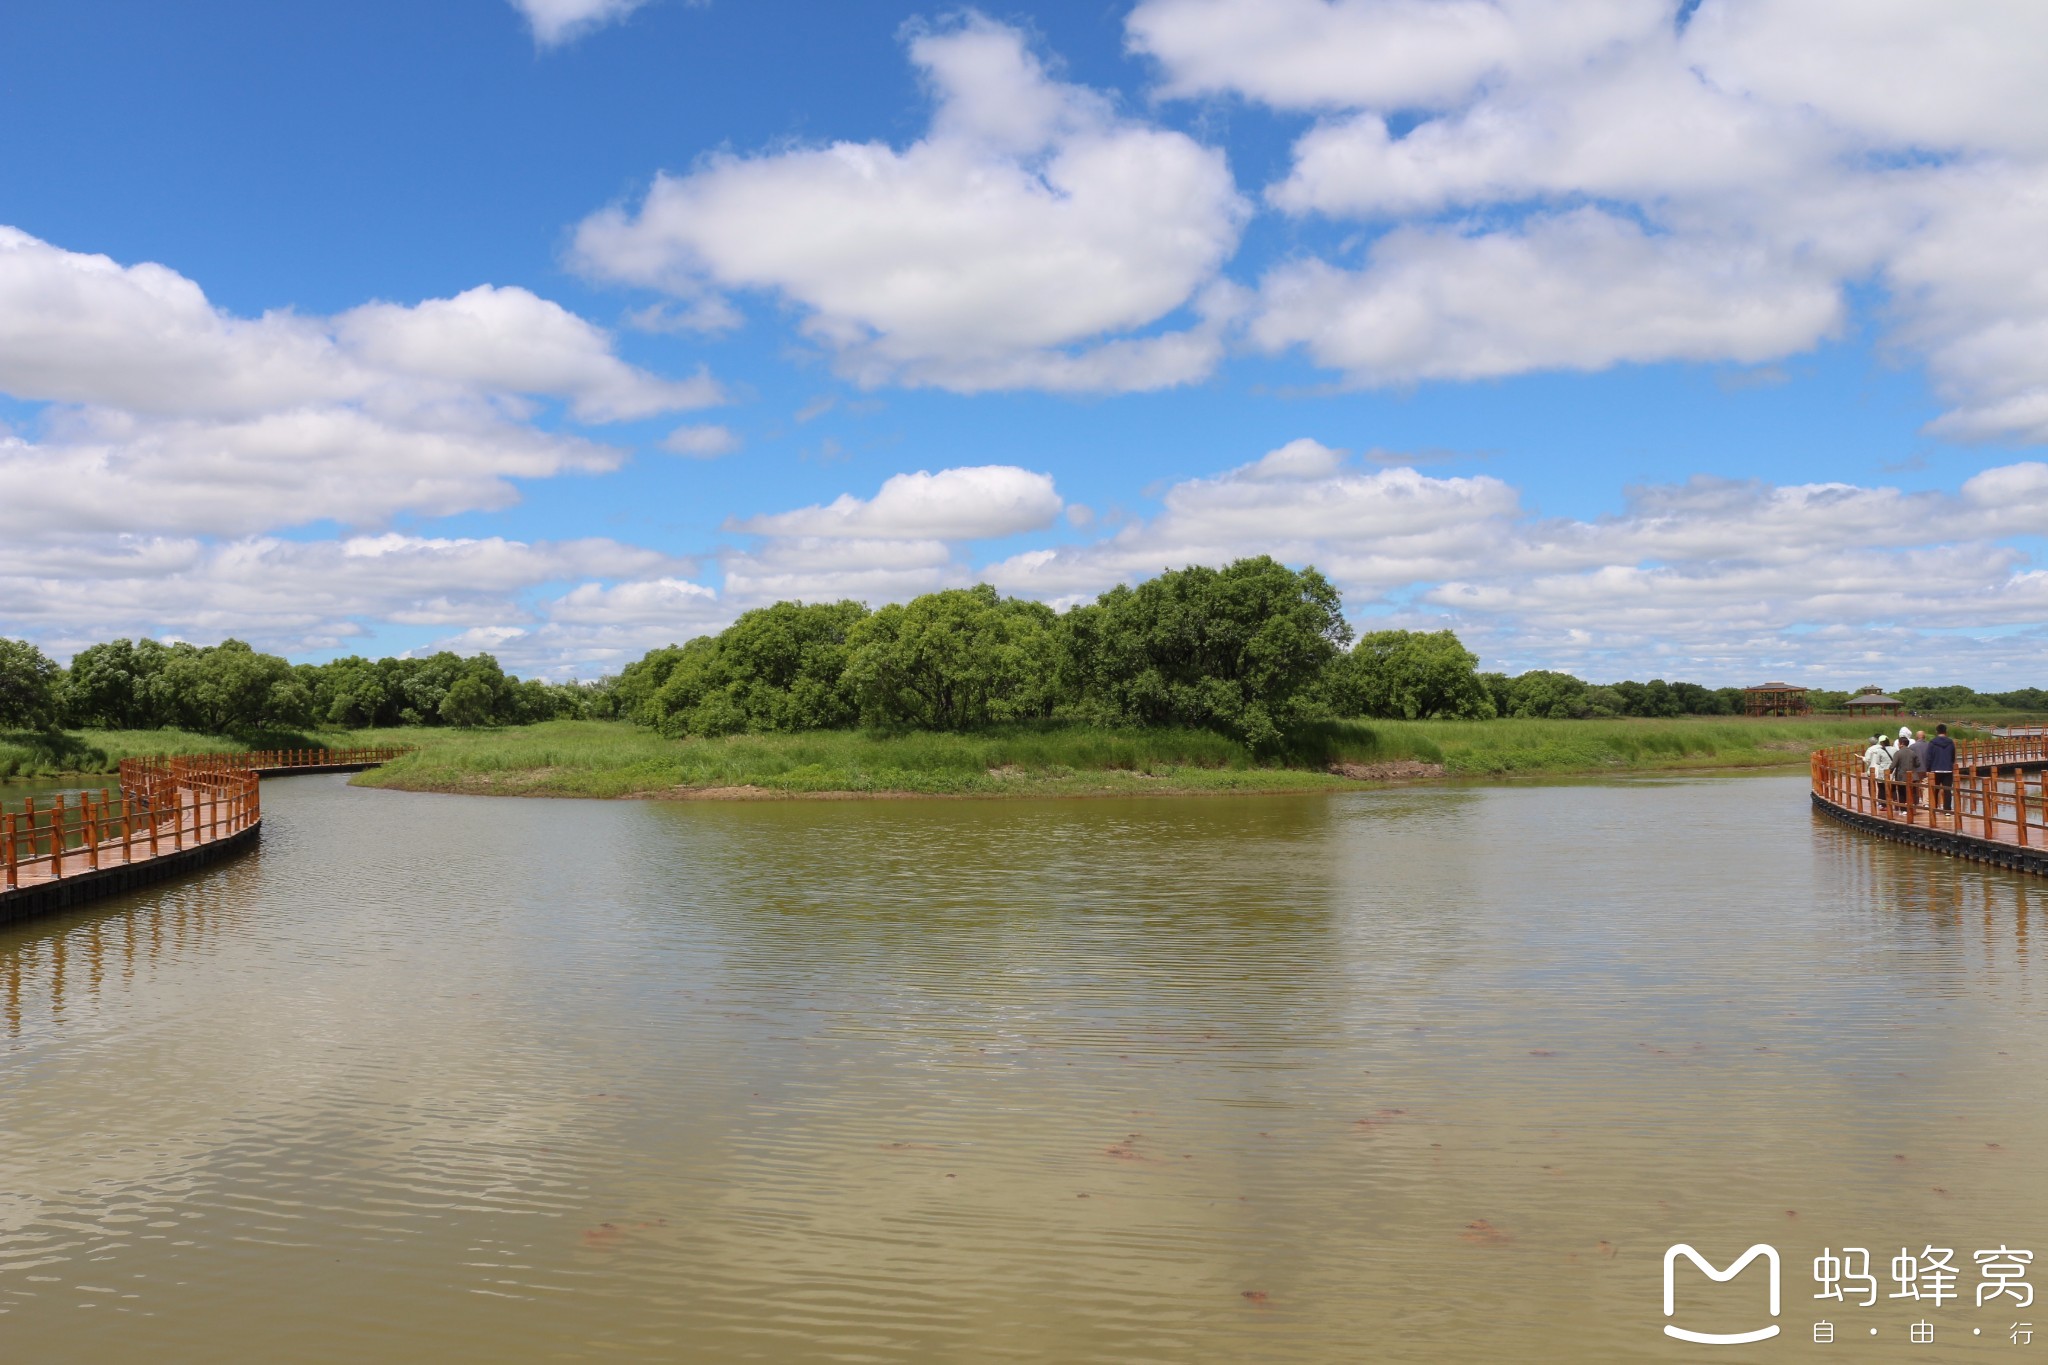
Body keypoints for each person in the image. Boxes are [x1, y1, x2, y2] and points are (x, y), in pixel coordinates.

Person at [1926, 723, 1958, 812]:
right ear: (1946, 731)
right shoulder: (1950, 742)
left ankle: (1934, 807)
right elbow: (1952, 755)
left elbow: (1929, 757)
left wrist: (1928, 769)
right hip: (1948, 769)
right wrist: (1951, 764)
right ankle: (1947, 810)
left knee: (1934, 789)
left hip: (1935, 769)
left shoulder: (1932, 742)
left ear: (1937, 731)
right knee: (1947, 790)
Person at [1894, 726, 1926, 810]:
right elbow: (1917, 763)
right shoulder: (1912, 749)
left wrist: (1890, 770)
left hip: (1901, 774)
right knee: (1913, 791)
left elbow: (1894, 764)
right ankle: (1913, 806)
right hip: (1913, 773)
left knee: (1902, 791)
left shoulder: (1898, 752)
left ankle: (1903, 808)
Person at [1864, 733, 1895, 808]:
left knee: (1881, 787)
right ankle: (1895, 803)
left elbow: (1878, 761)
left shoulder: (1880, 751)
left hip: (1882, 770)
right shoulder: (1894, 749)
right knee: (1892, 787)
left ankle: (1882, 804)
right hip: (1892, 770)